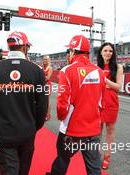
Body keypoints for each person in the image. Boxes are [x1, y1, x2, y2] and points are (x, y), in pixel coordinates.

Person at [0, 31, 48, 175]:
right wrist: (33, 125)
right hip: (27, 131)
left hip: (4, 132)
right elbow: (43, 106)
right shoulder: (37, 70)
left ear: (9, 46)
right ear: (24, 47)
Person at [47, 35, 106, 175]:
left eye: (70, 51)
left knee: (62, 160)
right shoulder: (100, 72)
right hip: (92, 129)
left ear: (73, 51)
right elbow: (102, 102)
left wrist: (62, 117)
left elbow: (62, 102)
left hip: (72, 130)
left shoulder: (67, 70)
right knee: (94, 169)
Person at [97, 42, 123, 170]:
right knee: (97, 130)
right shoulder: (95, 66)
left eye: (110, 51)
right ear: (101, 52)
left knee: (110, 130)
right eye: (105, 50)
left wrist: (106, 81)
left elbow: (118, 87)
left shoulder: (118, 67)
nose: (108, 53)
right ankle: (96, 154)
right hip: (97, 101)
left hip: (111, 101)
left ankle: (107, 156)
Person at [43, 55, 53, 121]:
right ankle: (44, 114)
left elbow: (48, 78)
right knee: (44, 100)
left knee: (47, 100)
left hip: (47, 85)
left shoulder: (50, 68)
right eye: (43, 59)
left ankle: (48, 115)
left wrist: (40, 77)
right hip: (43, 85)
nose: (44, 61)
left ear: (48, 60)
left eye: (46, 59)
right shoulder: (43, 67)